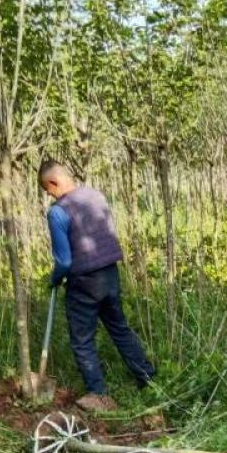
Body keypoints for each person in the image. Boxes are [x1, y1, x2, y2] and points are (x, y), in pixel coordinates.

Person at [39, 161, 155, 412]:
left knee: (82, 341)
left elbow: (64, 260)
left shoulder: (57, 212)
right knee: (119, 328)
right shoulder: (96, 196)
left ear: (53, 183)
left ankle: (99, 396)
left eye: (48, 191)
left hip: (84, 282)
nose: (50, 196)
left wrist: (55, 278)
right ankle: (149, 380)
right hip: (110, 274)